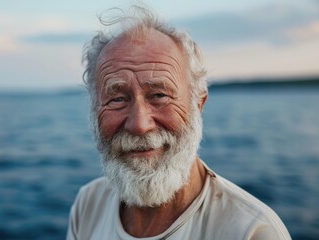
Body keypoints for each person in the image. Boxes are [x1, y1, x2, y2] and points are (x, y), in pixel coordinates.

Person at [67, 6, 291, 240]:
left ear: (198, 103)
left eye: (159, 95)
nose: (139, 125)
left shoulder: (251, 232)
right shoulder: (88, 204)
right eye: (117, 99)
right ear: (94, 111)